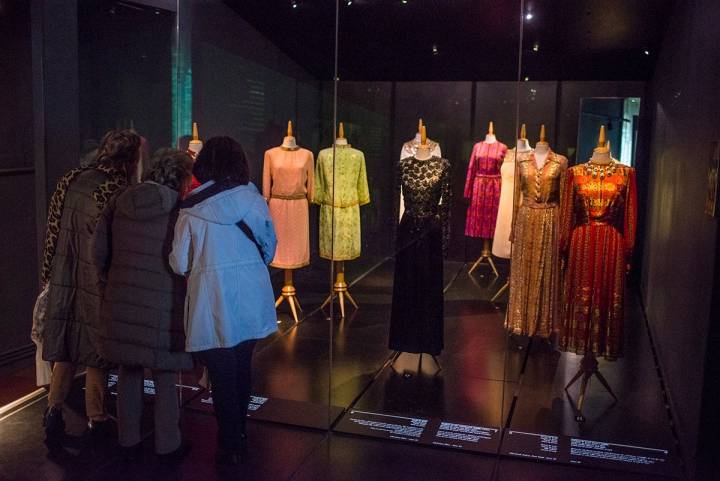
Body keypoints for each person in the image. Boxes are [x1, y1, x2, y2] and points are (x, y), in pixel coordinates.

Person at [169, 136, 277, 465]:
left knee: (221, 376)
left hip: (210, 302)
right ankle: (239, 436)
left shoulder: (190, 209)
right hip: (249, 295)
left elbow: (179, 263)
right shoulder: (253, 199)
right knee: (242, 369)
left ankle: (228, 442)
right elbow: (269, 249)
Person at [41, 129, 141, 452]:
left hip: (63, 276)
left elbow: (53, 232)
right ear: (130, 158)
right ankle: (96, 420)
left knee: (66, 349)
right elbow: (113, 246)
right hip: (95, 282)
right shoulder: (117, 189)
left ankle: (53, 414)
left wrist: (48, 277)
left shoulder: (71, 178)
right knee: (97, 351)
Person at [92, 149, 195, 460]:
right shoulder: (179, 210)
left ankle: (128, 439)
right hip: (164, 303)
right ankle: (168, 443)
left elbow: (98, 252)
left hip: (122, 300)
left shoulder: (119, 202)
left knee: (128, 372)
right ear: (181, 177)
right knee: (164, 375)